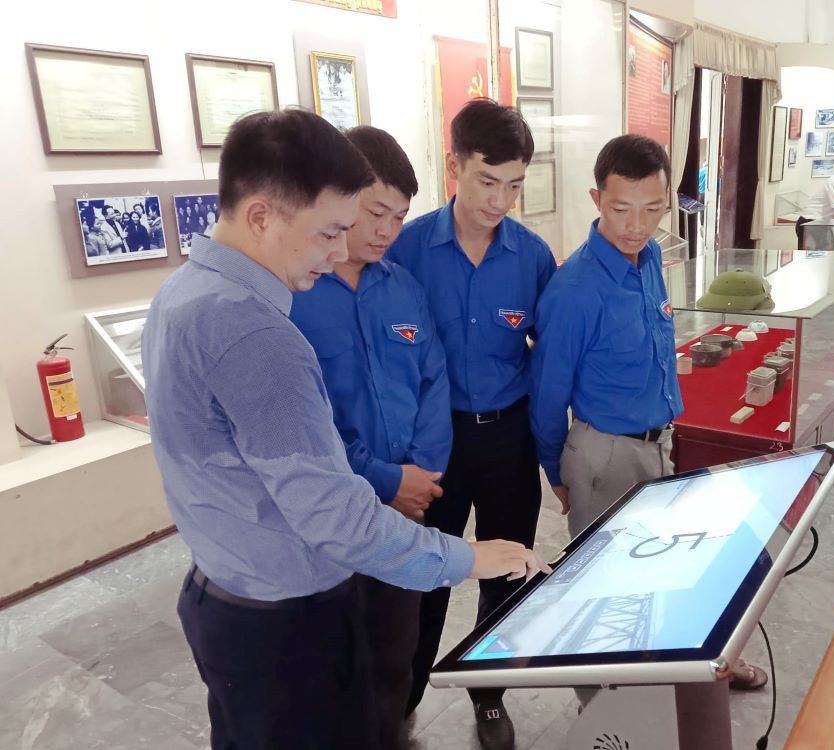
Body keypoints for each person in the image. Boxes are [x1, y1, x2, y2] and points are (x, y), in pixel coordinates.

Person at [141, 108, 549, 749]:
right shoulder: (258, 333)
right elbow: (336, 516)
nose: (341, 250)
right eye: (332, 230)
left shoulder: (183, 294)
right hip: (283, 613)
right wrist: (469, 557)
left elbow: (428, 377)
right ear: (262, 217)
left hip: (230, 588)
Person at [530, 133, 768, 692]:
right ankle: (601, 707)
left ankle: (678, 673)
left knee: (662, 571)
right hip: (605, 454)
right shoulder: (575, 289)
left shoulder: (652, 257)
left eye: (653, 209)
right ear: (597, 200)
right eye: (621, 209)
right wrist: (557, 472)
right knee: (599, 587)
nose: (637, 225)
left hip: (658, 444)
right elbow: (546, 394)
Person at [388, 98, 556, 750]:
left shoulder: (531, 257)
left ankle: (489, 691)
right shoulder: (405, 249)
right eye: (488, 181)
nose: (500, 200)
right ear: (454, 164)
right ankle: (403, 699)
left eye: (514, 185)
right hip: (434, 445)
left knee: (507, 571)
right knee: (425, 575)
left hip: (507, 438)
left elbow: (549, 353)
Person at [289, 125, 449, 750]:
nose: (386, 231)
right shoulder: (297, 294)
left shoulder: (403, 288)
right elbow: (306, 425)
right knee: (328, 664)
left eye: (400, 217)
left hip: (403, 515)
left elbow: (433, 381)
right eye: (375, 212)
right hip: (329, 519)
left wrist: (421, 476)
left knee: (394, 655)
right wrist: (386, 481)